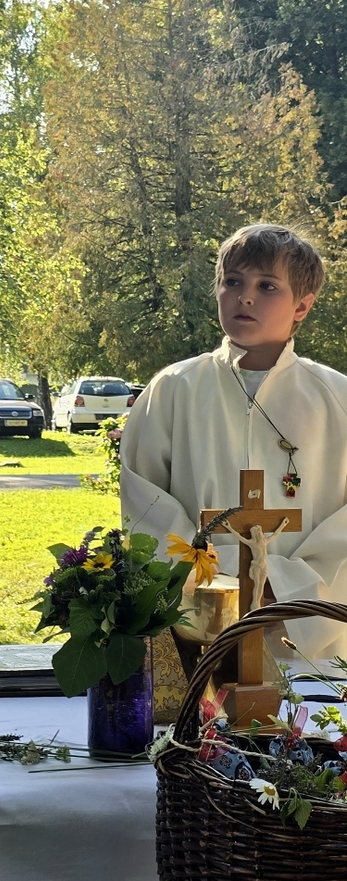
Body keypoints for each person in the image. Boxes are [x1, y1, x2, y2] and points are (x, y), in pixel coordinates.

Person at [120, 223, 347, 659]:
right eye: (233, 281)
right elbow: (144, 502)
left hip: (304, 635)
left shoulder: (337, 399)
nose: (246, 297)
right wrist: (214, 583)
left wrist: (284, 586)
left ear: (302, 305)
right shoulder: (174, 390)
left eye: (267, 286)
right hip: (198, 626)